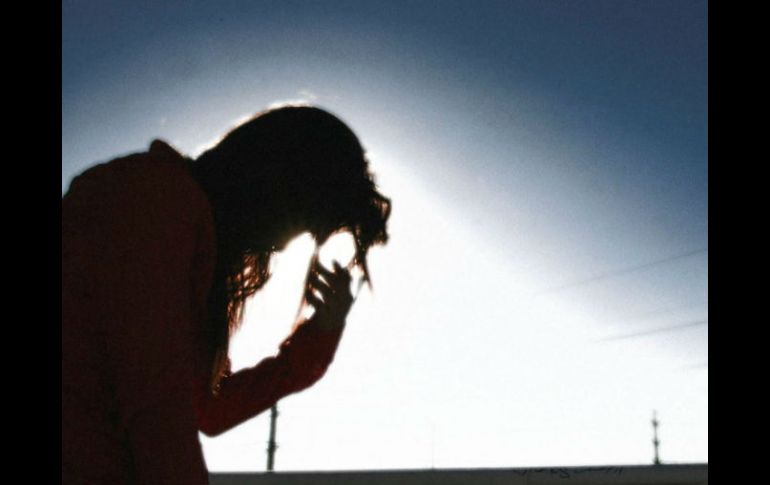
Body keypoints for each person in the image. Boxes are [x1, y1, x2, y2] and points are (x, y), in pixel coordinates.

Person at [62, 106, 391, 484]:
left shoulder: (182, 229)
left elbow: (208, 410)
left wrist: (319, 335)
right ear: (271, 181)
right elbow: (157, 412)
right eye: (298, 220)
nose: (283, 245)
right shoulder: (151, 198)